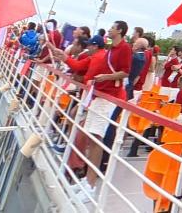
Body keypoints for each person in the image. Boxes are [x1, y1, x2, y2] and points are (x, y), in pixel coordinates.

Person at [53, 21, 132, 200]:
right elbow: (85, 68)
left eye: (113, 27)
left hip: (108, 97)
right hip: (99, 95)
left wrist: (106, 77)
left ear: (120, 30)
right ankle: (87, 180)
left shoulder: (124, 48)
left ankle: (90, 184)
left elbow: (125, 72)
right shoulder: (111, 49)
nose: (109, 29)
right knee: (91, 136)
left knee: (96, 138)